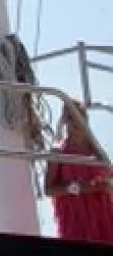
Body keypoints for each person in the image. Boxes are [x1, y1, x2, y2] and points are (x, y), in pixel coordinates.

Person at [44, 99, 113, 243]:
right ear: (64, 121)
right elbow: (49, 189)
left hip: (102, 216)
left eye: (79, 116)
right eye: (70, 117)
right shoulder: (59, 151)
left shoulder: (96, 149)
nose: (75, 121)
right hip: (76, 219)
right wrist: (82, 187)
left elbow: (109, 174)